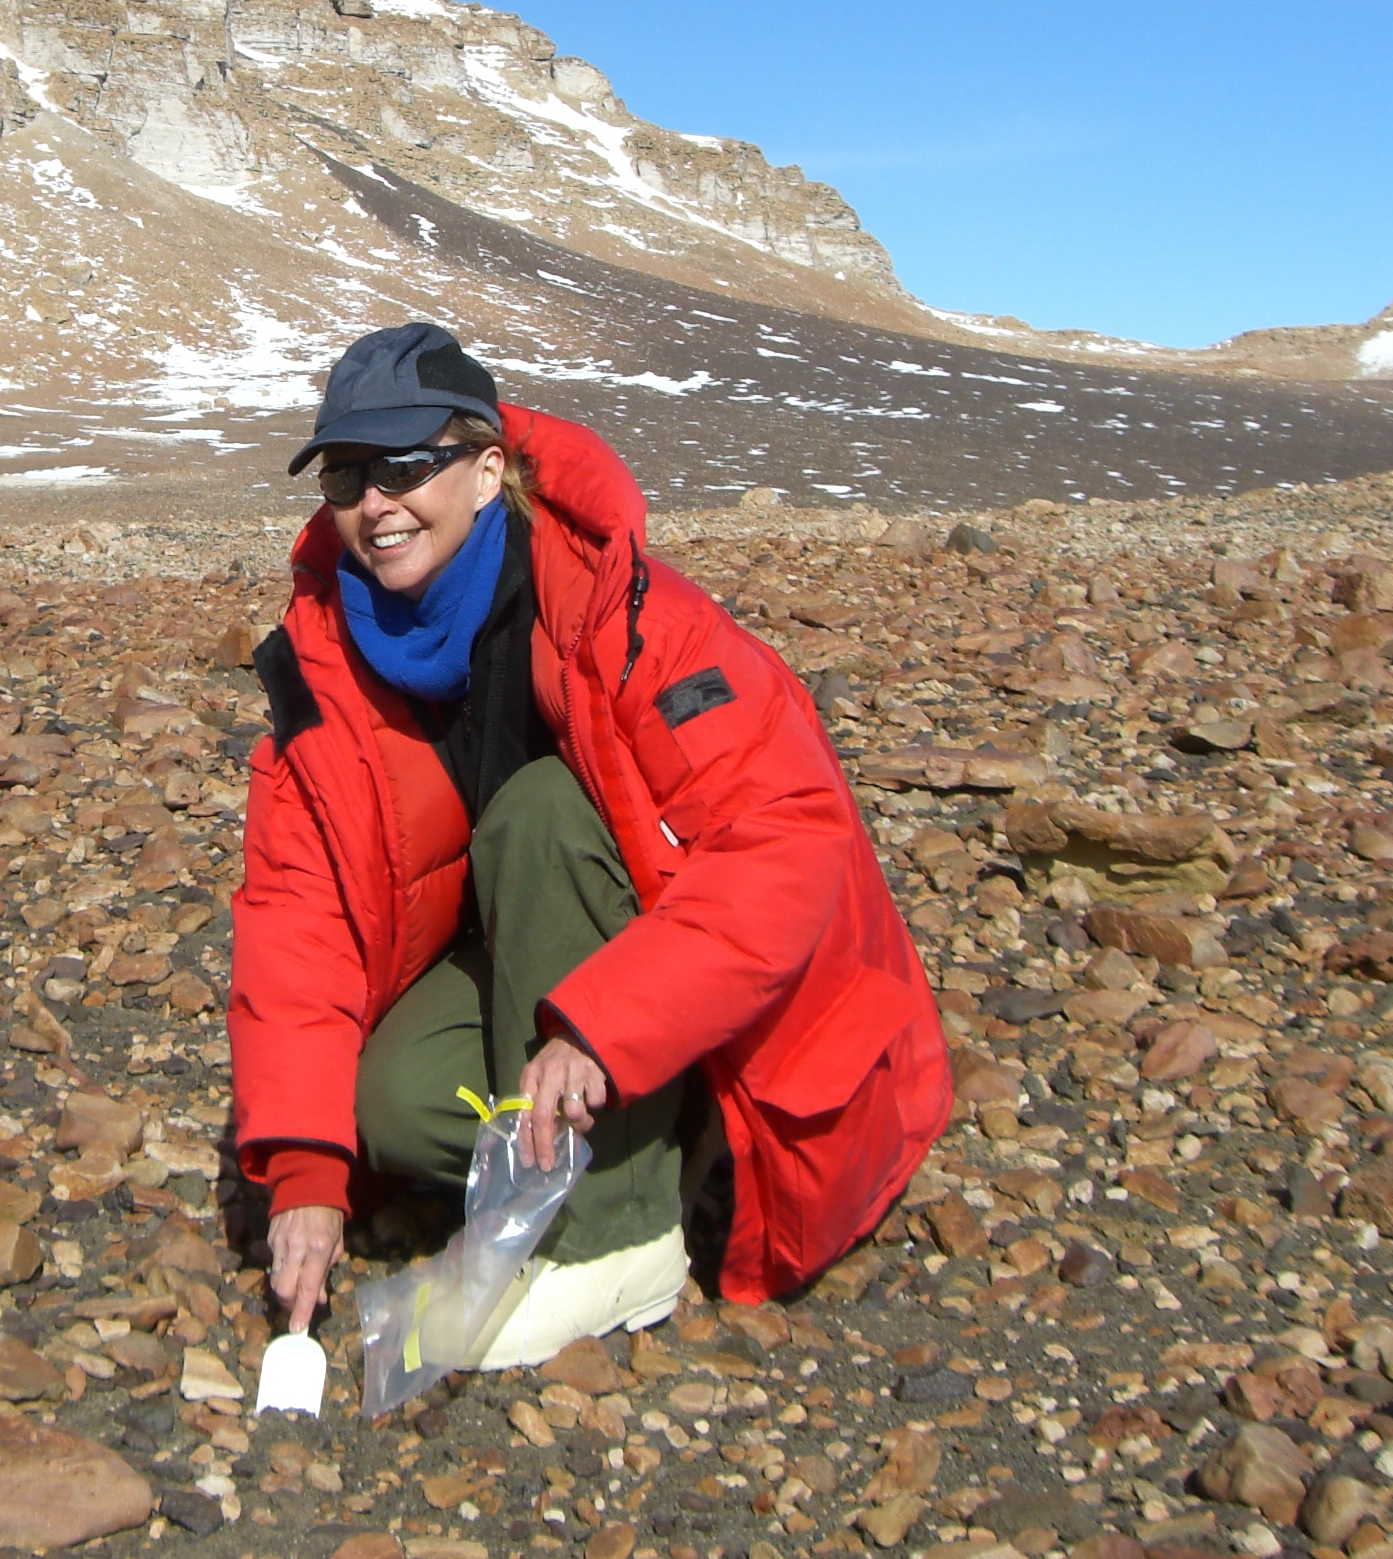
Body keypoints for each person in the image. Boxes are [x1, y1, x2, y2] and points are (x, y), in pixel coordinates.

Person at [229, 322, 950, 1362]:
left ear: (485, 473)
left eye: (404, 465)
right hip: (528, 952)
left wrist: (608, 1025)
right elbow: (297, 910)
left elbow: (788, 842)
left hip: (658, 976)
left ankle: (614, 1241)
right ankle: (644, 1134)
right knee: (384, 1107)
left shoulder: (629, 613)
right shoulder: (332, 660)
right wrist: (303, 1164)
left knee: (537, 814)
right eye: (347, 475)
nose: (375, 503)